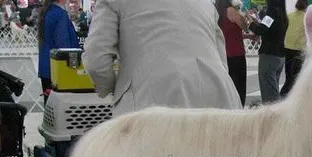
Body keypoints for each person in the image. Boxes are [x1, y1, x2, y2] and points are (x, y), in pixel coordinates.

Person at [82, 0, 242, 116]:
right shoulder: (205, 3)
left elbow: (96, 59)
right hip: (221, 98)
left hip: (152, 106)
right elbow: (221, 56)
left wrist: (110, 89)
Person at [37, 0, 79, 105]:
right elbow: (64, 46)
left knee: (49, 109)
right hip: (59, 71)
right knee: (62, 111)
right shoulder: (60, 14)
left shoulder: (46, 12)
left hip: (46, 68)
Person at [246, 0, 288, 104]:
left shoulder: (271, 13)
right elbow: (267, 28)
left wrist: (250, 22)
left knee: (269, 95)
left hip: (269, 56)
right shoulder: (283, 15)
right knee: (274, 90)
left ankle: (272, 117)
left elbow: (261, 30)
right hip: (280, 56)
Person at [215, 0, 247, 106]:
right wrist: (241, 12)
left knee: (227, 88)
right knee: (239, 88)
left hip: (222, 55)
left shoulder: (217, 11)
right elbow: (244, 26)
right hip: (236, 54)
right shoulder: (231, 10)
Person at [279, 0, 308, 97]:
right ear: (306, 7)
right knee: (297, 75)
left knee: (288, 73)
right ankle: (289, 94)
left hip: (287, 47)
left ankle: (285, 92)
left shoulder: (289, 16)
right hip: (299, 49)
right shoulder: (306, 18)